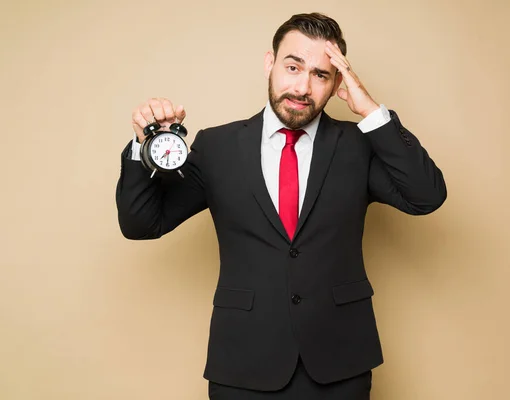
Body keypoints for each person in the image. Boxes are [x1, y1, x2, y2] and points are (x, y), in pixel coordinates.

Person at [116, 12, 447, 400]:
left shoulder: (358, 145)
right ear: (269, 63)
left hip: (340, 365)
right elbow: (141, 223)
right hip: (243, 365)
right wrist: (144, 146)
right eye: (293, 66)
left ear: (337, 82)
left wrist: (371, 112)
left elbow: (426, 195)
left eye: (320, 75)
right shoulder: (217, 147)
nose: (303, 86)